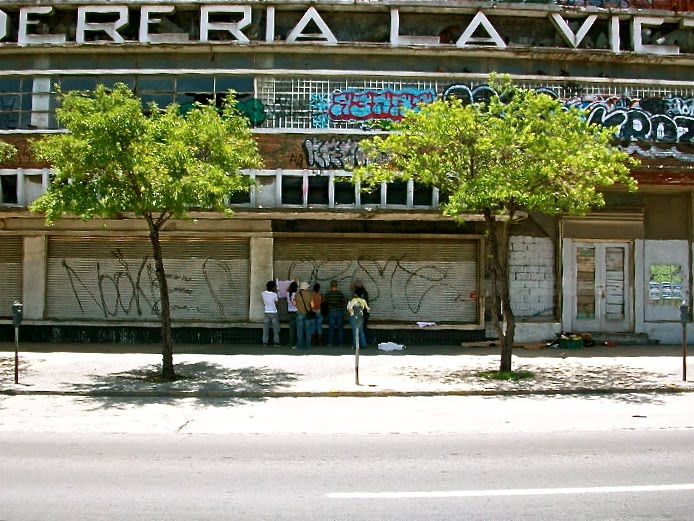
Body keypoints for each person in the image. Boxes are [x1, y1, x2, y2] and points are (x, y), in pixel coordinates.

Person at [325, 280, 346, 347]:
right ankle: (341, 343)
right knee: (340, 328)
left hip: (331, 311)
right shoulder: (340, 293)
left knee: (331, 328)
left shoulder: (328, 294)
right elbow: (344, 301)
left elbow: (325, 302)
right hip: (339, 311)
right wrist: (340, 305)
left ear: (331, 285)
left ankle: (330, 343)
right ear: (337, 285)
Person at [295, 281, 314, 350]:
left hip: (299, 313)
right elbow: (312, 305)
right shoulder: (310, 294)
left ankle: (299, 346)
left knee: (299, 330)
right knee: (308, 330)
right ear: (305, 287)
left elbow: (294, 303)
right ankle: (308, 345)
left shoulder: (297, 294)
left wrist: (298, 306)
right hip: (307, 314)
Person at [261, 280, 280, 346]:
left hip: (266, 312)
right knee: (276, 328)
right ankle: (276, 342)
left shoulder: (263, 293)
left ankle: (265, 341)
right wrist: (277, 293)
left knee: (265, 328)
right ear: (273, 287)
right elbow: (277, 304)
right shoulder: (274, 295)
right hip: (273, 312)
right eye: (275, 287)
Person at [286, 280, 298, 348]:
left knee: (291, 329)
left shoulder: (287, 293)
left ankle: (291, 342)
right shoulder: (297, 294)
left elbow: (287, 289)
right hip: (296, 312)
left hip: (290, 312)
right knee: (298, 328)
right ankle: (297, 342)